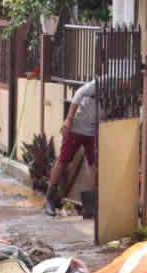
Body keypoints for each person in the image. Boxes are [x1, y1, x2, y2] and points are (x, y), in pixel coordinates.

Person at [43, 79, 98, 216]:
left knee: (93, 164)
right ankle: (49, 200)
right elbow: (79, 93)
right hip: (76, 127)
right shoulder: (102, 82)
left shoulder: (124, 93)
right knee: (63, 161)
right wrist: (69, 118)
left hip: (94, 130)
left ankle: (89, 206)